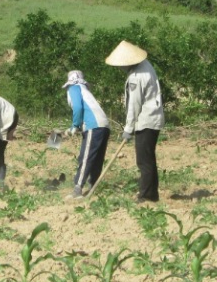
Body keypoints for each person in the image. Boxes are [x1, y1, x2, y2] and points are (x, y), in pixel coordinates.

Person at [105, 40, 164, 202]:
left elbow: (134, 105)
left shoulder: (136, 77)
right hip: (154, 118)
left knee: (143, 161)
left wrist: (128, 129)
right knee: (149, 159)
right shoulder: (146, 65)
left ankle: (145, 196)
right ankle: (152, 194)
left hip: (146, 120)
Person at [62, 70, 111, 199]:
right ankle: (94, 187)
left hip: (93, 125)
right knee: (96, 159)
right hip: (104, 125)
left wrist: (75, 125)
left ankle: (78, 189)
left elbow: (78, 107)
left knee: (86, 158)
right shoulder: (85, 91)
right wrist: (76, 127)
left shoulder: (74, 88)